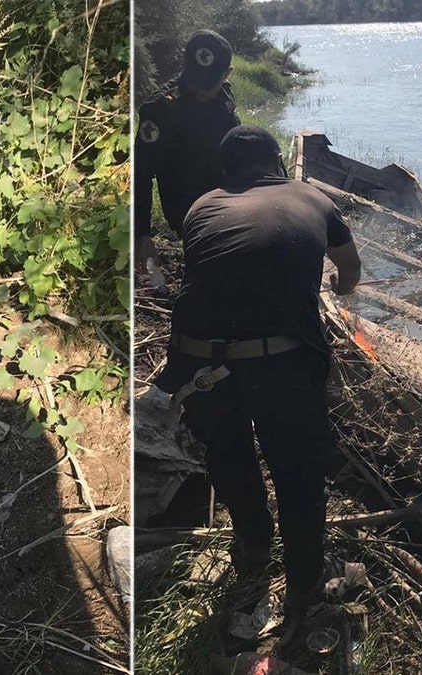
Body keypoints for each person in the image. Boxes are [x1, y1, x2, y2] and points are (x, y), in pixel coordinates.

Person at [158, 125, 362, 636]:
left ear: (226, 171)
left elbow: (214, 273)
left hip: (200, 365)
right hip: (281, 364)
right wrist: (337, 287)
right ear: (277, 163)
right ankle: (305, 589)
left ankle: (252, 548)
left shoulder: (201, 206)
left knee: (229, 458)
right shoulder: (311, 196)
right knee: (299, 477)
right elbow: (350, 270)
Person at [133, 29, 240, 273]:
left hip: (229, 197)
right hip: (188, 207)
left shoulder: (225, 95)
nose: (201, 92)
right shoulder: (160, 109)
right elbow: (141, 174)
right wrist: (142, 235)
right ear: (183, 61)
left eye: (209, 84)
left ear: (227, 74)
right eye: (195, 82)